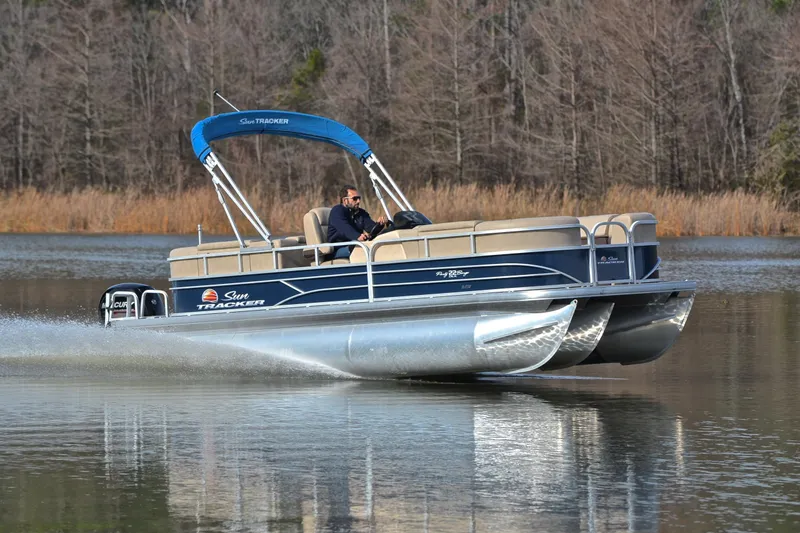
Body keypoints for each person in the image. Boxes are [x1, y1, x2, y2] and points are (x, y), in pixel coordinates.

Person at [327, 185, 389, 259]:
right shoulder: (337, 211)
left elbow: (371, 228)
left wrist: (380, 224)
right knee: (362, 248)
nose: (358, 201)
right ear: (345, 200)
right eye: (355, 199)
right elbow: (344, 228)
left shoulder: (360, 213)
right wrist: (357, 236)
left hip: (356, 244)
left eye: (359, 198)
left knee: (378, 246)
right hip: (339, 248)